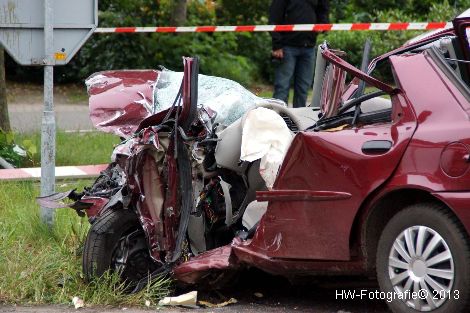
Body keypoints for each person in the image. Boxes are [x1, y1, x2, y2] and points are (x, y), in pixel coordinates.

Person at [269, 0, 329, 108]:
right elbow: (274, 18)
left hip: (309, 47)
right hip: (286, 47)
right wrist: (277, 45)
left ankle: (299, 120)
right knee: (282, 87)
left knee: (303, 89)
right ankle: (277, 118)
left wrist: (322, 23)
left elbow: (323, 10)